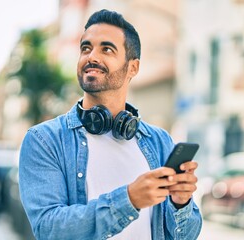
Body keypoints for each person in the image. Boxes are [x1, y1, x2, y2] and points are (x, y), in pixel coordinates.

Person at [19, 9, 202, 240]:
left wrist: (181, 203)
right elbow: (49, 229)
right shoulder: (44, 140)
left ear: (133, 67)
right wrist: (129, 199)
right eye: (86, 48)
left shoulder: (159, 142)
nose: (91, 57)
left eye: (106, 49)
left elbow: (186, 235)